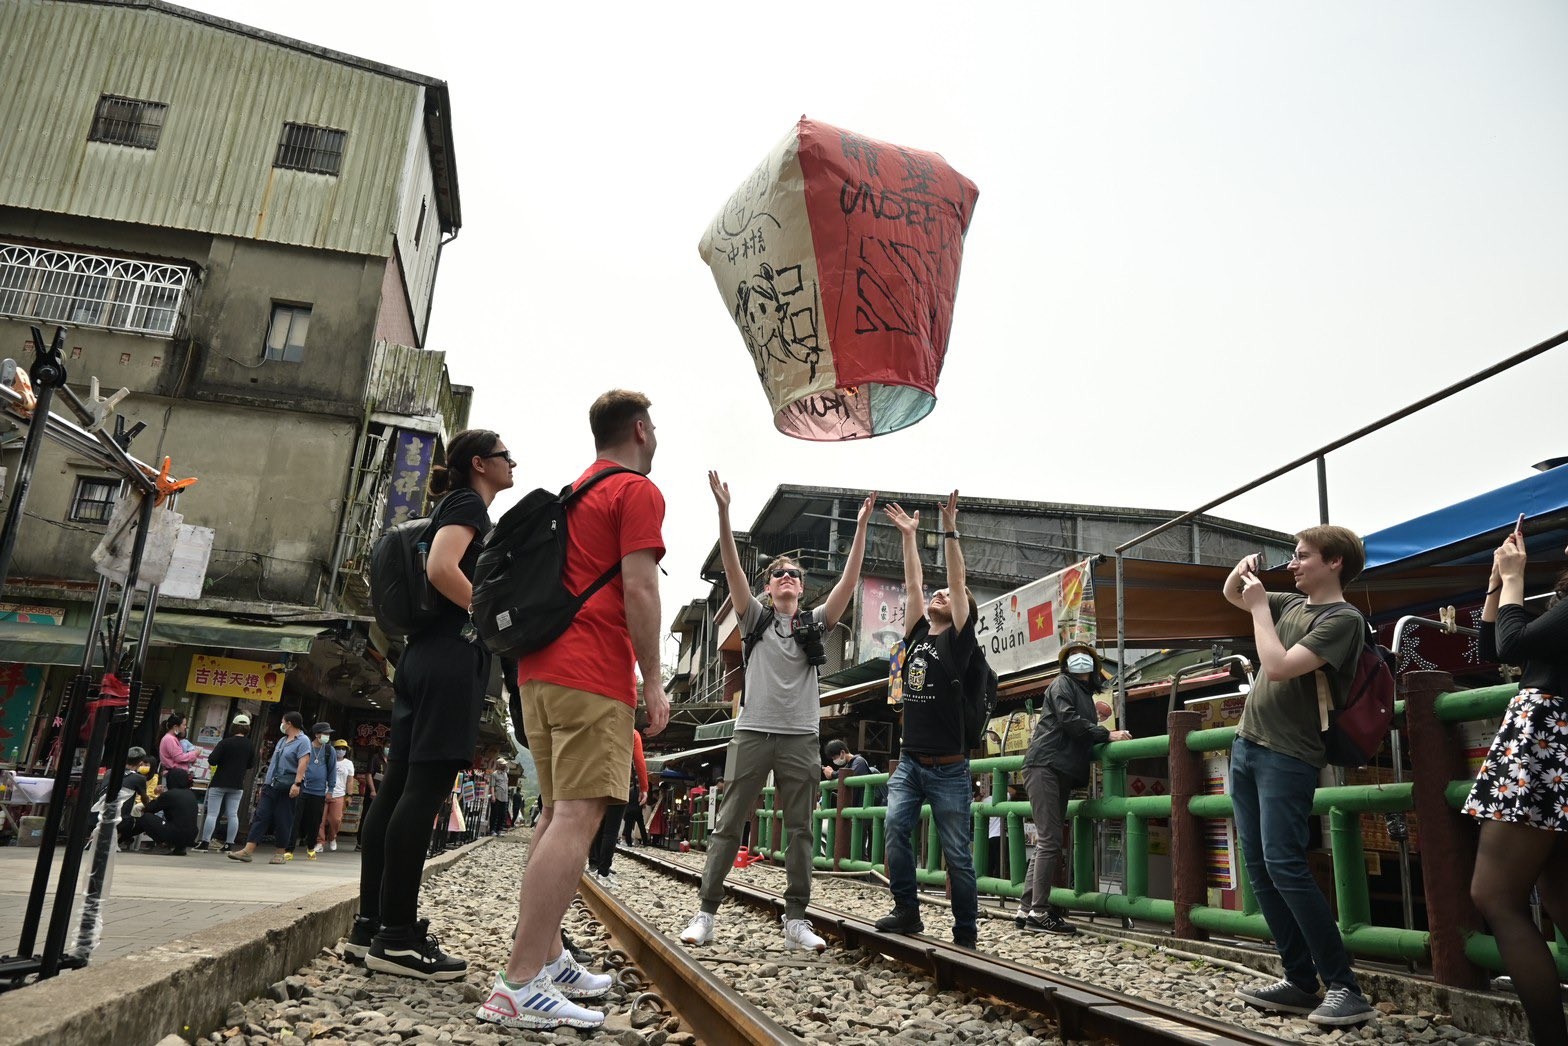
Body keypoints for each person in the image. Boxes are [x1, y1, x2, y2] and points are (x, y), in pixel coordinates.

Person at [480, 390, 668, 1032]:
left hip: (538, 670)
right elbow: (640, 589)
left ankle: (550, 956)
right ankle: (521, 981)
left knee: (559, 813)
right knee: (579, 816)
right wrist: (654, 681)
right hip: (590, 671)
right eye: (655, 425)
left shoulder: (574, 491)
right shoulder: (636, 491)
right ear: (640, 430)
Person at [678, 476, 874, 953]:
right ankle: (705, 912)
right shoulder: (755, 619)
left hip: (801, 737)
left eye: (794, 576)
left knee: (801, 830)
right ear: (767, 587)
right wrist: (725, 513)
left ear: (803, 591)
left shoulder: (815, 622)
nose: (787, 578)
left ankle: (796, 919)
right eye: (779, 574)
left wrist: (863, 526)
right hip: (752, 733)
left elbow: (849, 583)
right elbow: (730, 566)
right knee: (729, 823)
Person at [348, 429, 514, 979]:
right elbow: (442, 569)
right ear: (479, 464)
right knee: (422, 793)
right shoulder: (468, 503)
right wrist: (487, 618)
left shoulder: (453, 504)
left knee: (397, 789)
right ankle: (398, 937)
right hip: (448, 658)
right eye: (504, 456)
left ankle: (370, 926)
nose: (513, 463)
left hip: (421, 657)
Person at [1222, 527, 1377, 1027]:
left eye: (1303, 556)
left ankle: (1343, 985)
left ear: (1334, 563)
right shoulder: (1292, 602)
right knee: (1262, 867)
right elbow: (1232, 595)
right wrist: (1244, 572)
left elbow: (1281, 665)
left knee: (1285, 865)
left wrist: (1261, 607)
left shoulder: (1342, 618)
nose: (1293, 564)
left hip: (1289, 754)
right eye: (1292, 555)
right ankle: (1298, 977)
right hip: (1248, 745)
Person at [1464, 531, 1568, 1046]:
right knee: (1560, 896)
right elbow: (1491, 650)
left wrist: (1513, 578)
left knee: (1495, 895)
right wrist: (1495, 587)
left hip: (1545, 746)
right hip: (1553, 753)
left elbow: (1513, 644)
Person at [875, 492, 981, 949]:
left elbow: (957, 584)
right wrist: (910, 537)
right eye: (935, 595)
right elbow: (913, 582)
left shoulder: (960, 643)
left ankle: (965, 933)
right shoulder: (918, 633)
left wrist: (951, 532)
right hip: (911, 762)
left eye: (950, 597)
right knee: (895, 829)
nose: (939, 595)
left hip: (950, 768)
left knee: (957, 855)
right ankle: (907, 911)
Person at [1018, 642, 1131, 934]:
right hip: (1046, 765)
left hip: (1057, 769)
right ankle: (1040, 913)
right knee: (1050, 841)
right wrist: (1107, 734)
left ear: (1094, 665)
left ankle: (1026, 908)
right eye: (1072, 655)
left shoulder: (1084, 693)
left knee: (1047, 840)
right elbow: (1069, 721)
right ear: (1065, 664)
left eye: (1085, 655)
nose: (1079, 658)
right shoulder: (1061, 684)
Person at [229, 711, 311, 865]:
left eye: (283, 721)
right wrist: (266, 784)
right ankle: (248, 850)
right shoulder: (282, 740)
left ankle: (280, 852)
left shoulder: (303, 741)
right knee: (261, 815)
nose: (281, 724)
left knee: (283, 818)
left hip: (289, 785)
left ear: (289, 723)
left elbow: (303, 763)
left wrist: (297, 783)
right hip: (271, 784)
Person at [590, 728, 646, 886]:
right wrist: (644, 787)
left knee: (597, 826)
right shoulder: (632, 733)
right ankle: (603, 871)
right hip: (618, 781)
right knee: (611, 830)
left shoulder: (599, 724)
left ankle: (593, 863)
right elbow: (639, 760)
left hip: (596, 780)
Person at [197, 714, 254, 852]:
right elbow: (250, 765)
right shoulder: (249, 745)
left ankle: (205, 843)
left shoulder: (225, 743)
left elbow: (212, 760)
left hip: (219, 782)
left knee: (212, 814)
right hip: (237, 784)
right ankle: (229, 844)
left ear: (233, 726)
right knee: (232, 814)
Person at [294, 722, 336, 859]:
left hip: (319, 792)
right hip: (302, 789)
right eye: (325, 733)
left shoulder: (330, 750)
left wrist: (330, 789)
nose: (327, 736)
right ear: (317, 734)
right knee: (296, 819)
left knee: (315, 821)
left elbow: (332, 771)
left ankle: (311, 848)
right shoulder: (306, 747)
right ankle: (289, 848)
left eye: (329, 734)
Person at [140, 768, 199, 855]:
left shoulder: (170, 794)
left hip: (175, 833)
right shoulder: (191, 794)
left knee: (146, 817)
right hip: (192, 835)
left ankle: (163, 845)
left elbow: (149, 809)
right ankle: (180, 848)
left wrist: (158, 795)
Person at [318, 739, 354, 852]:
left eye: (343, 749)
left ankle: (332, 837)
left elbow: (350, 781)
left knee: (336, 820)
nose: (340, 751)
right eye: (338, 748)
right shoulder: (327, 760)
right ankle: (320, 841)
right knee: (320, 820)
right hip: (323, 793)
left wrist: (350, 795)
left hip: (339, 794)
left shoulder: (348, 763)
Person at [115, 747, 151, 851]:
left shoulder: (109, 772)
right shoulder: (139, 778)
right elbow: (145, 801)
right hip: (121, 820)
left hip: (96, 816)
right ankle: (117, 839)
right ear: (140, 763)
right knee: (139, 821)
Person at [490, 759, 511, 837]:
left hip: (504, 797)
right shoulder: (494, 774)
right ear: (499, 765)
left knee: (502, 814)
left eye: (505, 764)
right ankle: (492, 830)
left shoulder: (505, 774)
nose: (504, 765)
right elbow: (492, 786)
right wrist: (493, 795)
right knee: (495, 814)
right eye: (503, 764)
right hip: (497, 796)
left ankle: (499, 830)